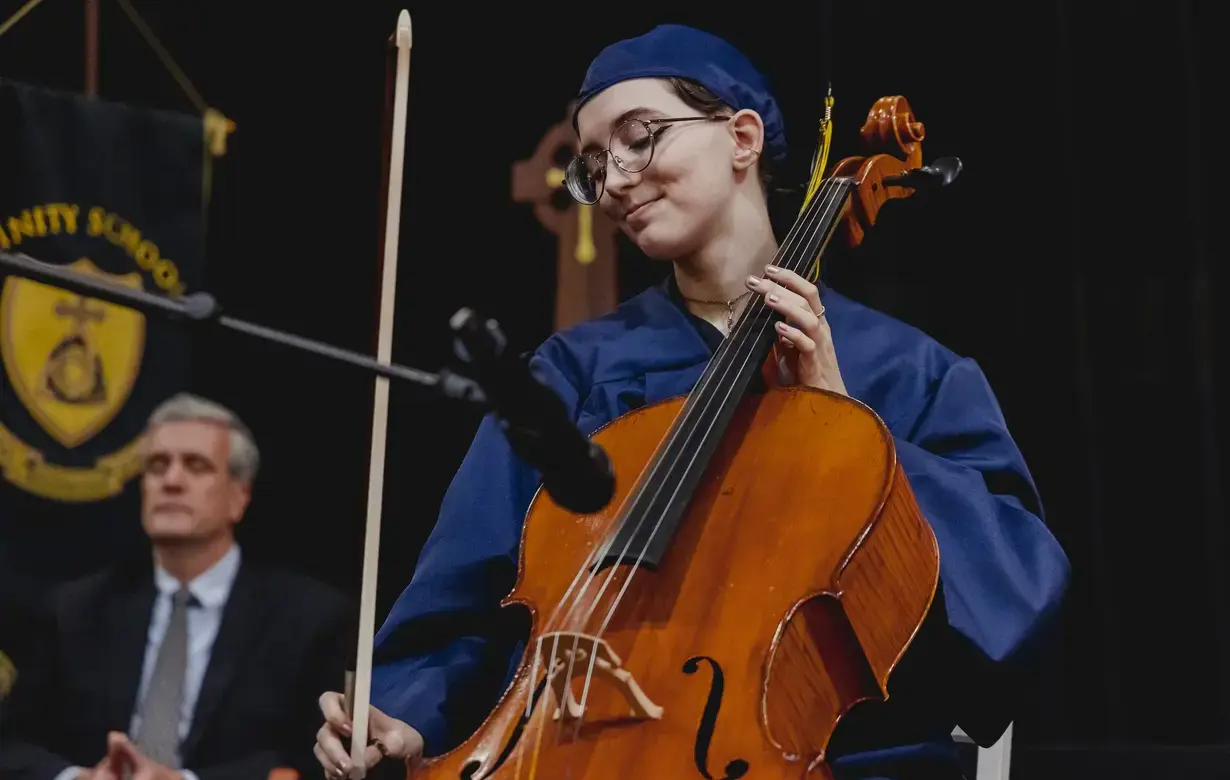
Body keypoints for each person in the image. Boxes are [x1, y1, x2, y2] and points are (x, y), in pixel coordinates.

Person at [313, 23, 1071, 780]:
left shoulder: (909, 372)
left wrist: (843, 428)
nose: (612, 179)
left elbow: (1012, 597)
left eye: (639, 137)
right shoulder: (575, 372)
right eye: (593, 164)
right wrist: (404, 714)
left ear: (742, 138)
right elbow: (464, 602)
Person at [0, 393, 352, 780]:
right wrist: (78, 778)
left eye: (196, 466)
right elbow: (11, 748)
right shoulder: (76, 610)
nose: (171, 480)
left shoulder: (308, 618)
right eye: (156, 465)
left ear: (240, 495)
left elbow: (316, 760)